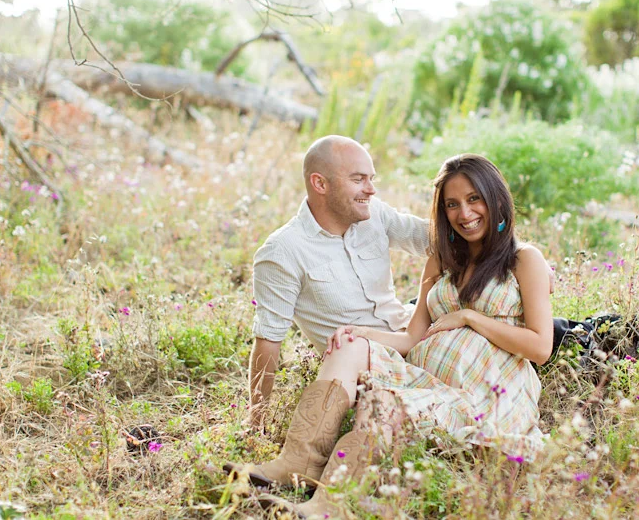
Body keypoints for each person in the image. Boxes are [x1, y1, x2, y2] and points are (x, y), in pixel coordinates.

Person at [228, 154, 553, 519]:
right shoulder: (442, 259)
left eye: (474, 199)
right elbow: (413, 336)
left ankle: (327, 504)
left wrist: (470, 317)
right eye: (452, 204)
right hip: (426, 377)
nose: (464, 213)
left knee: (385, 404)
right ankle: (299, 460)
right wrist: (361, 334)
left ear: (495, 198)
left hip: (483, 394)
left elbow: (541, 347)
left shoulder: (524, 260)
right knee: (349, 346)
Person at [247, 135, 429, 431]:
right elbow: (269, 340)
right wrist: (256, 422)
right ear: (320, 184)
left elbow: (428, 238)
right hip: (367, 361)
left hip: (412, 331)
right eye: (358, 179)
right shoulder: (283, 251)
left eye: (371, 179)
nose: (370, 189)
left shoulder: (375, 214)